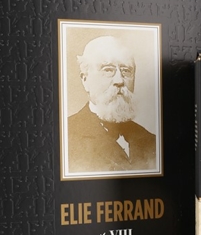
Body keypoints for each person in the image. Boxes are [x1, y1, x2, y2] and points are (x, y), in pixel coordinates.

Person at [67, 36, 157, 173]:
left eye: (126, 70)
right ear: (85, 80)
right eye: (108, 70)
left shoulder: (151, 141)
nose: (119, 80)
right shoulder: (66, 137)